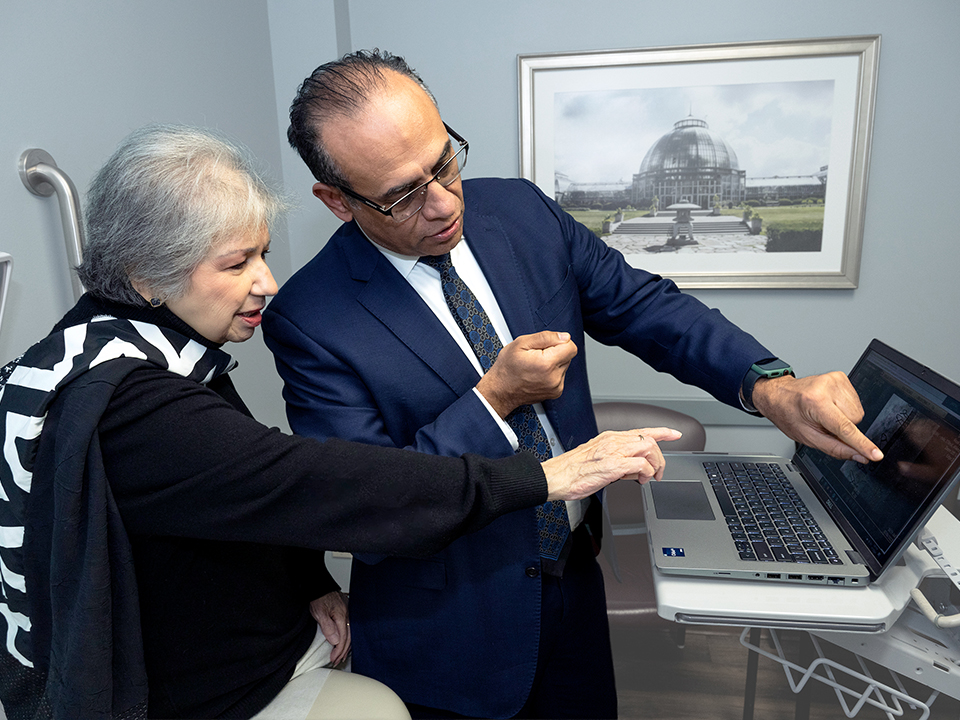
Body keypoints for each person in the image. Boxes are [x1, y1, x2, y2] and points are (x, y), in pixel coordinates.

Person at [263, 51, 883, 720]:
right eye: (402, 195)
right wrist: (492, 401)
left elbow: (646, 307)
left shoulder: (521, 211)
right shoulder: (311, 318)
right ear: (337, 201)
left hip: (575, 579)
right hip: (449, 630)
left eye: (444, 162)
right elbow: (370, 516)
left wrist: (770, 386)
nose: (442, 203)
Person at [0, 124, 666, 720]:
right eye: (236, 264)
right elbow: (326, 484)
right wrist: (543, 478)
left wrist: (310, 580)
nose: (267, 283)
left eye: (261, 254)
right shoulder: (137, 409)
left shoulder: (103, 345)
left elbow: (242, 492)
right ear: (148, 272)